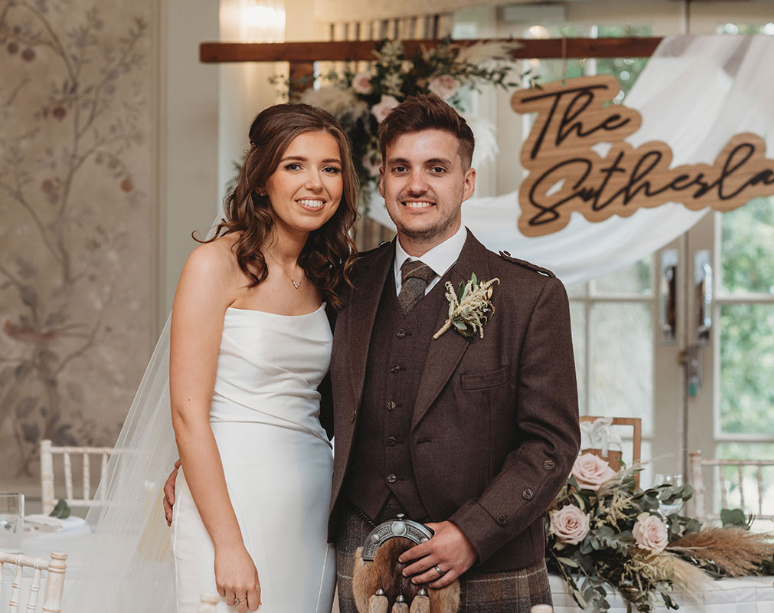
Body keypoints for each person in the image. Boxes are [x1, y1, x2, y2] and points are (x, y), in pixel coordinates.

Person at [328, 94, 580, 612]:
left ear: (467, 182)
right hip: (362, 567)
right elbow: (299, 402)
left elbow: (550, 444)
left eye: (436, 168)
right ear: (383, 180)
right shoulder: (345, 285)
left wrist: (472, 532)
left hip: (487, 569)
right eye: (401, 168)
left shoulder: (530, 296)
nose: (415, 184)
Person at [168, 103, 358, 613]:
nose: (315, 182)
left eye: (330, 168)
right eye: (295, 165)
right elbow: (188, 413)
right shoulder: (215, 265)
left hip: (311, 506)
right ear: (261, 181)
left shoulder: (327, 276)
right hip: (230, 502)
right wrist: (229, 545)